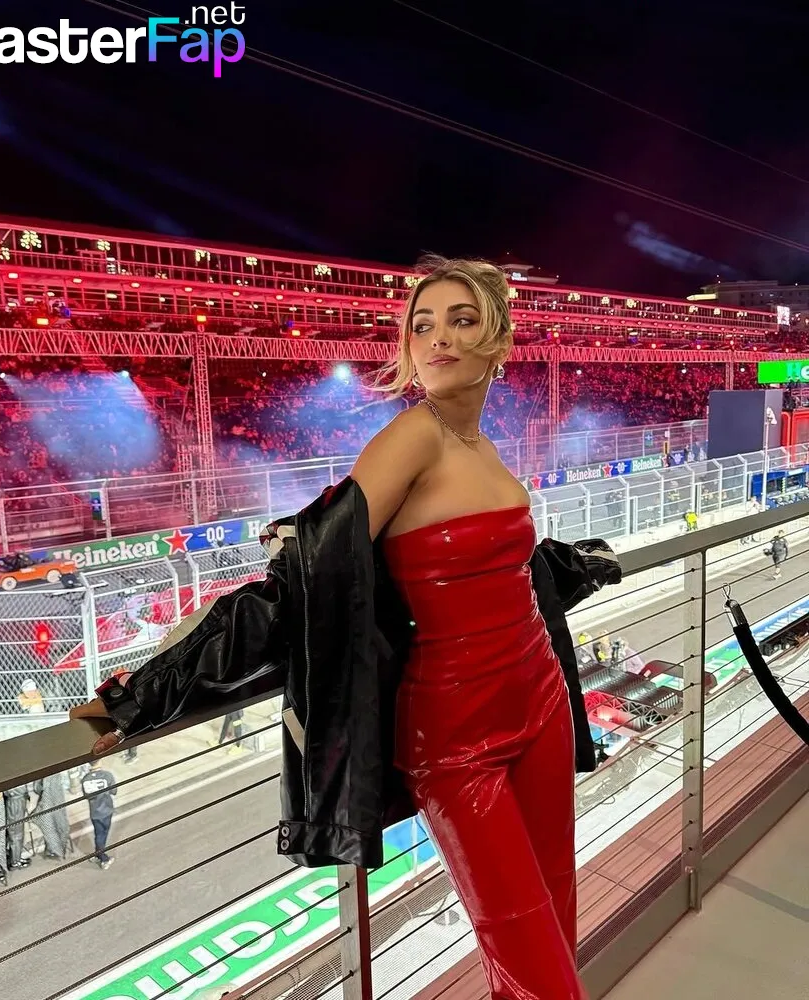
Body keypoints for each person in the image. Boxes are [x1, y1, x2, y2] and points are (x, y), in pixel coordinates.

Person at [71, 257, 622, 999]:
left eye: (462, 320)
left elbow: (504, 571)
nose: (438, 338)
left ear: (498, 342)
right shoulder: (411, 439)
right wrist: (150, 692)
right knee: (535, 968)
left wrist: (575, 564)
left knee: (554, 920)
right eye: (423, 325)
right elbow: (304, 585)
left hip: (542, 703)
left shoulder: (484, 446)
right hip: (455, 739)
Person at [80, 760, 117, 870]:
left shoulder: (85, 779)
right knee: (102, 835)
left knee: (98, 834)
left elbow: (86, 796)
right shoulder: (107, 775)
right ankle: (103, 858)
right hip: (106, 810)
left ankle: (97, 853)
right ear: (99, 762)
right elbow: (114, 791)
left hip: (94, 812)